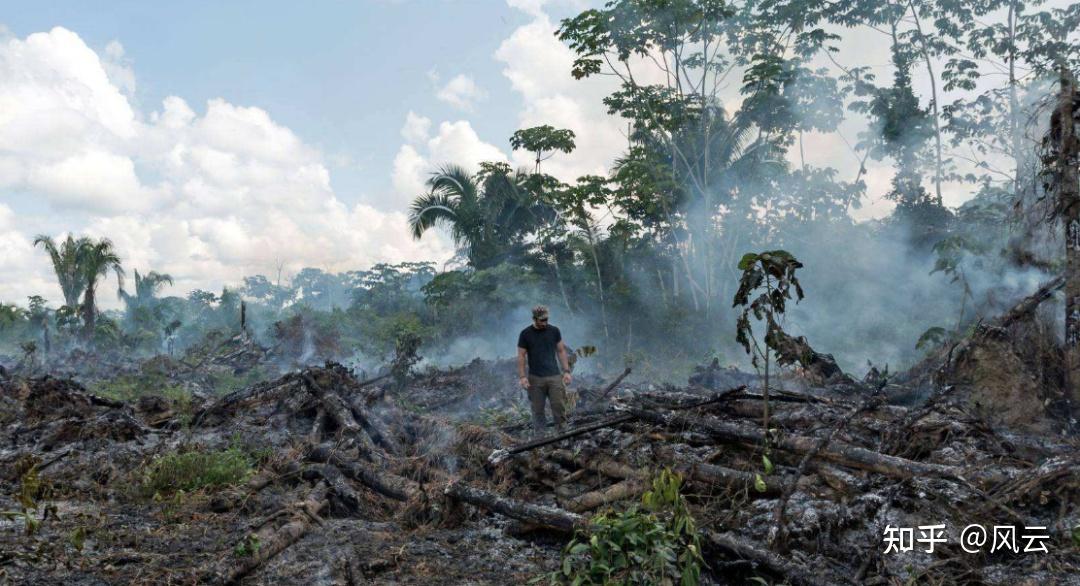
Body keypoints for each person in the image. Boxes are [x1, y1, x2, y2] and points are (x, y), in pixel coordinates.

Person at [517, 305, 572, 434]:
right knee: (537, 410)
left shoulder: (554, 331)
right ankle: (541, 439)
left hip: (554, 376)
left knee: (558, 406)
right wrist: (522, 377)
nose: (545, 322)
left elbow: (561, 350)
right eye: (542, 320)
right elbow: (521, 356)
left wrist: (567, 371)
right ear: (534, 319)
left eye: (546, 319)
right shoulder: (525, 334)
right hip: (535, 378)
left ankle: (562, 435)